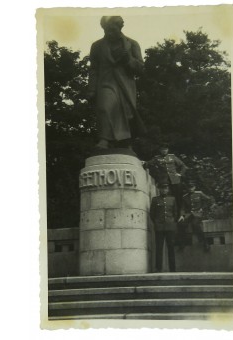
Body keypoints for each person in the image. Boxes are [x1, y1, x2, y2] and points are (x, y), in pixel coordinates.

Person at [88, 16, 146, 149]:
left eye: (112, 30)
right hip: (105, 82)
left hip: (125, 85)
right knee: (105, 107)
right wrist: (91, 89)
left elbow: (141, 68)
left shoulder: (132, 44)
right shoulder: (97, 46)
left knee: (125, 113)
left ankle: (125, 141)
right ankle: (105, 139)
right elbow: (93, 69)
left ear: (120, 28)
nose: (109, 33)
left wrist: (129, 59)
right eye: (107, 30)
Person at [145, 144, 187, 209]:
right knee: (166, 196)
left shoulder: (172, 157)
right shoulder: (157, 158)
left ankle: (180, 213)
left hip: (175, 180)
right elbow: (148, 164)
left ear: (168, 150)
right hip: (164, 180)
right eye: (162, 149)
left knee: (178, 196)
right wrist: (144, 163)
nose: (164, 151)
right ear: (160, 150)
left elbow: (183, 166)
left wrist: (180, 174)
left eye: (165, 149)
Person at [178, 180, 215, 252]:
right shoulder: (185, 197)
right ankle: (182, 245)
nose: (190, 189)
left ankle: (205, 243)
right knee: (181, 224)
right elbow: (182, 207)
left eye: (191, 187)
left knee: (195, 224)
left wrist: (202, 208)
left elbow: (209, 200)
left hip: (198, 214)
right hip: (189, 215)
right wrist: (182, 215)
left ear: (194, 187)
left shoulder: (200, 193)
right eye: (189, 187)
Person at [150, 183, 178, 272]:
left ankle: (172, 269)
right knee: (159, 248)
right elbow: (152, 214)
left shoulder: (172, 199)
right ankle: (158, 268)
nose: (164, 190)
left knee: (171, 248)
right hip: (159, 227)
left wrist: (172, 222)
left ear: (168, 189)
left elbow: (175, 213)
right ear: (159, 189)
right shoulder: (155, 200)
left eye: (165, 188)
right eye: (162, 188)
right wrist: (157, 222)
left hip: (170, 227)